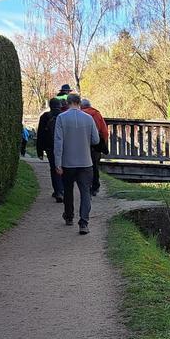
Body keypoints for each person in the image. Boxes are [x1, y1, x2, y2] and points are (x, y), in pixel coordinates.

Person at [53, 93, 100, 234]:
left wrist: (57, 163)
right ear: (79, 103)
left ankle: (69, 216)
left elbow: (58, 142)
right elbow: (96, 140)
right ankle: (84, 222)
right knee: (85, 192)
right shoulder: (88, 118)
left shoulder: (61, 118)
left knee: (68, 191)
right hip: (85, 162)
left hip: (68, 162)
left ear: (67, 103)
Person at [36, 97, 65, 202]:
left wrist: (39, 151)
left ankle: (58, 191)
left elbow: (40, 134)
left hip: (50, 147)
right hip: (63, 146)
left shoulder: (45, 117)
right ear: (60, 105)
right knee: (64, 167)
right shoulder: (64, 116)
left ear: (50, 106)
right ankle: (63, 189)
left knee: (54, 168)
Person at [80, 98, 109, 196]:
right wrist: (103, 144)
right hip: (95, 144)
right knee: (95, 166)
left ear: (81, 106)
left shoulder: (80, 114)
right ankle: (95, 187)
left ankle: (85, 186)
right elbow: (104, 131)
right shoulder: (96, 114)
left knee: (84, 166)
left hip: (83, 144)